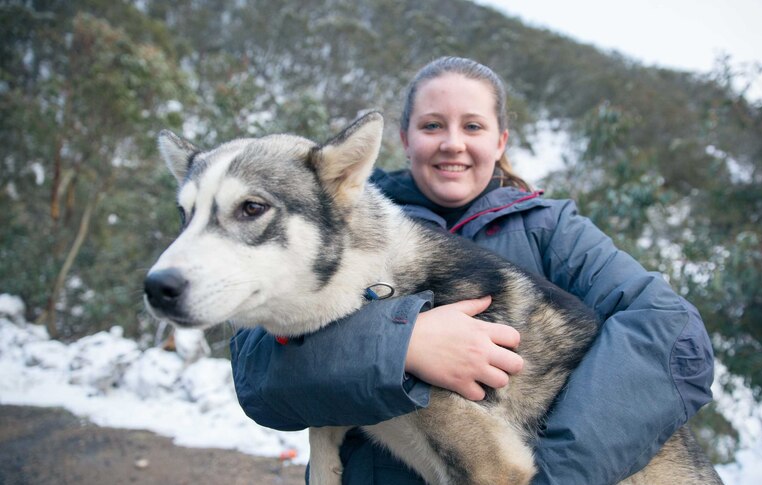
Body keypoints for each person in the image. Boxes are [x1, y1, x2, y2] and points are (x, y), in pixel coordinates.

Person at [230, 56, 714, 484]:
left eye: (474, 127)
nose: (452, 144)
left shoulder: (551, 229)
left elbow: (672, 333)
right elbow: (260, 376)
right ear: (403, 139)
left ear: (501, 140)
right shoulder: (338, 219)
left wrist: (557, 474)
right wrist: (403, 345)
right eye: (433, 126)